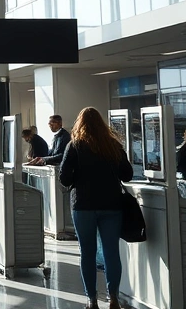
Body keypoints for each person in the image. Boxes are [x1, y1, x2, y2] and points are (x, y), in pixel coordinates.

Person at [59, 107, 134, 309]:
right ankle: (114, 298)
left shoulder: (74, 145)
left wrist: (79, 178)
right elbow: (127, 175)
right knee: (111, 252)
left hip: (83, 205)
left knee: (87, 252)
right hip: (111, 205)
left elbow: (64, 178)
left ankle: (91, 300)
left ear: (79, 124)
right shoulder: (114, 145)